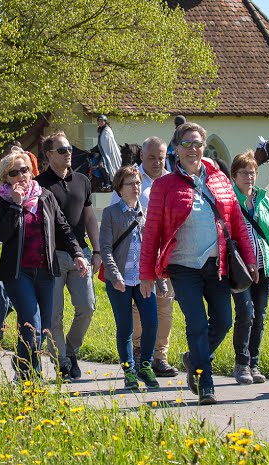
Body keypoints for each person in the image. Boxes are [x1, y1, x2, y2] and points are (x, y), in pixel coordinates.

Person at [139, 122, 256, 405]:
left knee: (224, 321)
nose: (193, 149)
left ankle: (194, 359)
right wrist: (147, 273)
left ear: (204, 147)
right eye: (187, 144)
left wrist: (251, 259)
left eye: (198, 144)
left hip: (217, 265)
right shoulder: (164, 185)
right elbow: (152, 230)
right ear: (176, 149)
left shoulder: (220, 179)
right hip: (182, 267)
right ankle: (205, 382)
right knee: (197, 325)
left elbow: (237, 223)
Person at [0, 149, 86, 380]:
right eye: (14, 172)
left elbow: (63, 227)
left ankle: (20, 362)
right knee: (31, 325)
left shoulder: (44, 196)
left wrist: (77, 253)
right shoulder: (2, 202)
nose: (21, 175)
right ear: (6, 178)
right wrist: (16, 204)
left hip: (45, 271)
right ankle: (30, 375)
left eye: (24, 169)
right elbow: (2, 234)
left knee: (42, 327)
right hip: (17, 272)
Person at [109, 136, 178, 377]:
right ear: (141, 156)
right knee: (140, 310)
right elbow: (116, 218)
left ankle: (160, 356)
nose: (157, 162)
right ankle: (139, 353)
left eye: (161, 157)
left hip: (166, 256)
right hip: (138, 259)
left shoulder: (171, 180)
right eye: (151, 157)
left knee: (165, 307)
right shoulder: (131, 180)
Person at [36, 132, 101, 380]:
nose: (68, 154)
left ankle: (71, 351)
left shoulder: (82, 181)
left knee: (87, 306)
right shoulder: (39, 184)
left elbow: (90, 218)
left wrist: (96, 251)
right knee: (54, 315)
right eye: (62, 150)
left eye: (70, 149)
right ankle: (61, 361)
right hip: (51, 257)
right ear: (49, 154)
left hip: (80, 255)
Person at [100, 165, 158, 390]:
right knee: (125, 328)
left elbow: (153, 249)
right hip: (120, 281)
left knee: (151, 323)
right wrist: (115, 277)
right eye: (130, 183)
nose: (136, 187)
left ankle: (145, 365)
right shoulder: (111, 213)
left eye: (138, 183)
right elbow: (105, 248)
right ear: (119, 188)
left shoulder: (146, 212)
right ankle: (129, 371)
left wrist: (156, 279)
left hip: (142, 280)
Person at [230, 151, 269, 385]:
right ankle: (241, 363)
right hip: (239, 269)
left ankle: (254, 363)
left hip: (264, 266)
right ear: (234, 175)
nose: (250, 177)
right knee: (246, 314)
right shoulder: (230, 201)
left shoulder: (264, 200)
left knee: (260, 316)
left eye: (253, 172)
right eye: (244, 172)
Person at [96, 115, 123, 184]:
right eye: (99, 121)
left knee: (101, 165)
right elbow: (101, 144)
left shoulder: (107, 131)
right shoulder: (101, 130)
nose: (100, 122)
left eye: (102, 120)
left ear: (105, 121)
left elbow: (106, 144)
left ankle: (107, 183)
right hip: (103, 151)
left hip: (108, 153)